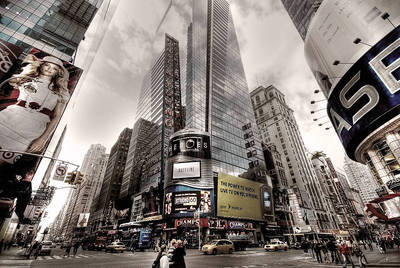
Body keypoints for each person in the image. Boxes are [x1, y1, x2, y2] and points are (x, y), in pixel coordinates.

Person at [0, 54, 70, 166]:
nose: (49, 69)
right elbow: (9, 81)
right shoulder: (26, 79)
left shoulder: (61, 92)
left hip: (33, 128)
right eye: (47, 65)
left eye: (54, 68)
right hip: (9, 117)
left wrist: (43, 139)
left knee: (4, 158)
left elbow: (57, 117)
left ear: (58, 72)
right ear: (41, 66)